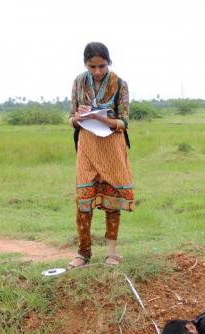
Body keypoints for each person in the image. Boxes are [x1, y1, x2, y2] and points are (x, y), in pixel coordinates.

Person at [68, 41, 134, 268]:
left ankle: (112, 253)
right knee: (83, 199)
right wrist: (78, 117)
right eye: (92, 66)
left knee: (112, 199)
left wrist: (99, 117)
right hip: (87, 145)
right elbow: (71, 119)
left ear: (109, 63)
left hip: (112, 146)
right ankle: (83, 253)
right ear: (85, 64)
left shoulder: (120, 84)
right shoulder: (78, 82)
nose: (97, 71)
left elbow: (124, 122)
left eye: (102, 66)